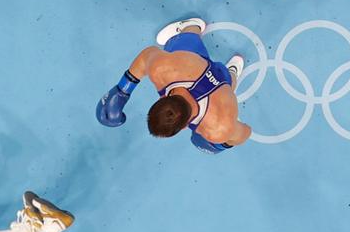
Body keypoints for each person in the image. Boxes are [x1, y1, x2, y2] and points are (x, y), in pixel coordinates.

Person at [96, 16, 252, 154]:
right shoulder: (164, 70)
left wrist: (220, 145)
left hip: (218, 88)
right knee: (185, 41)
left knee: (229, 85)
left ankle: (232, 70)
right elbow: (146, 57)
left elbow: (245, 132)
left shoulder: (217, 129)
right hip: (193, 68)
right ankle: (193, 26)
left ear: (184, 126)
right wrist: (122, 89)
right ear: (160, 101)